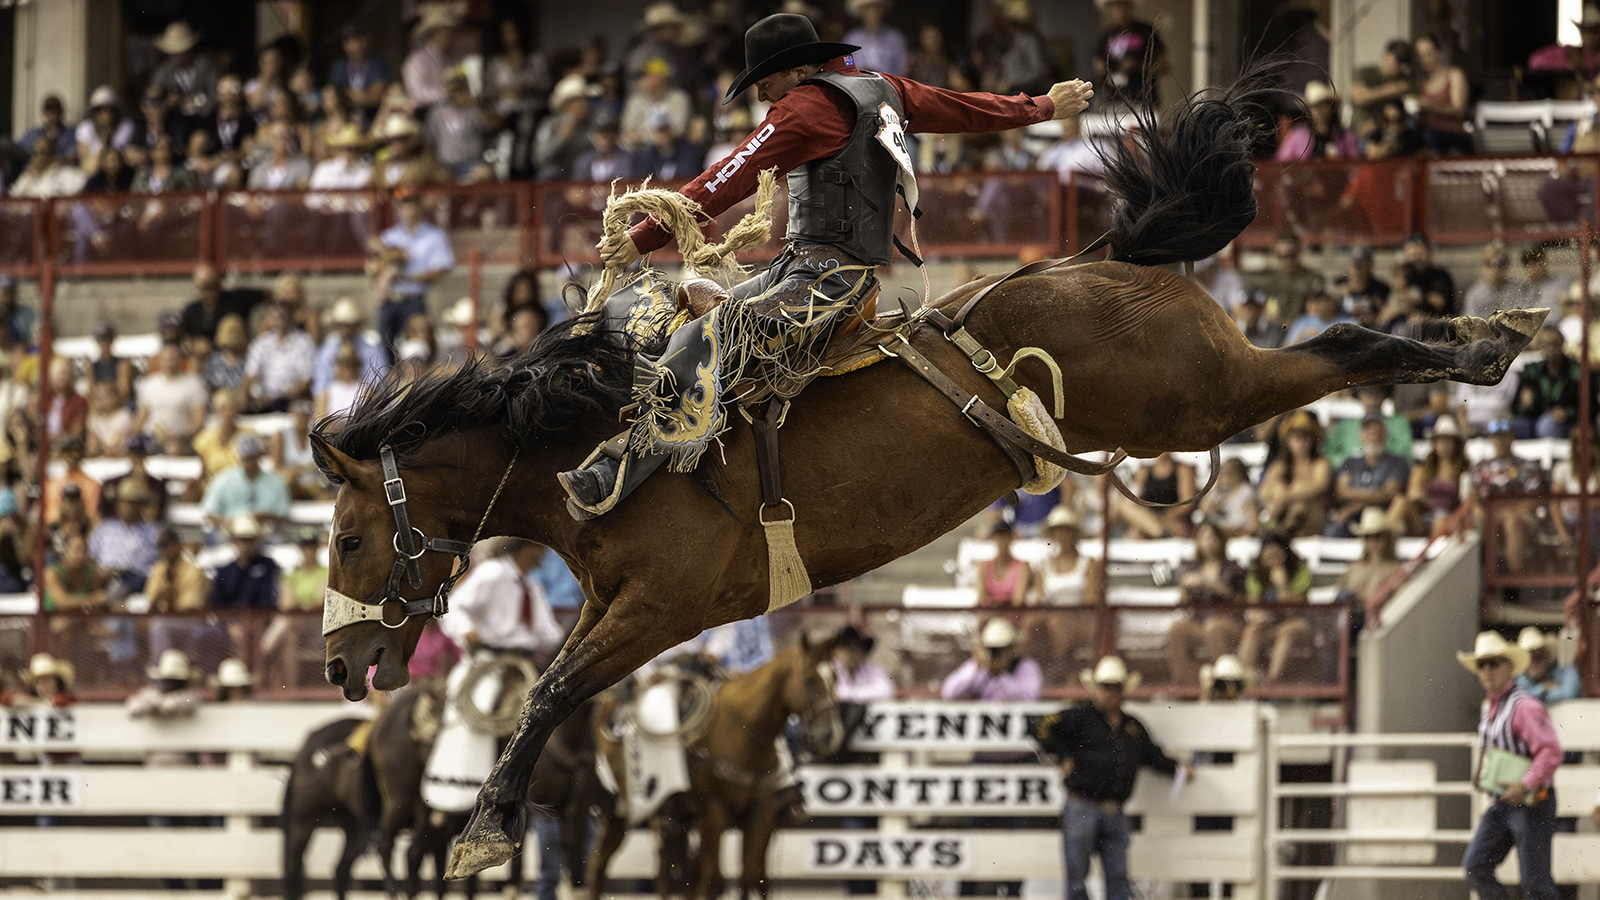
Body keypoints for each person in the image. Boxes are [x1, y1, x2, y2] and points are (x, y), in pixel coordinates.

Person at [558, 12, 1093, 517]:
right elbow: (964, 108)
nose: (761, 93)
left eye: (765, 79)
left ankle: (622, 472)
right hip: (822, 275)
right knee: (691, 296)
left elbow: (729, 175)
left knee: (707, 333)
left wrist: (645, 235)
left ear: (797, 69)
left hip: (821, 284)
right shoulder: (887, 89)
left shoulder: (807, 109)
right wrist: (1040, 107)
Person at [1033, 655, 1191, 900]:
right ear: (1098, 690)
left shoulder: (1133, 727)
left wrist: (1177, 768)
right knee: (1078, 879)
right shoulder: (1080, 717)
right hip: (1083, 805)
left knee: (1117, 878)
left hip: (1113, 810)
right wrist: (1062, 754)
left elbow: (1152, 756)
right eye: (1107, 687)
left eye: (1116, 688)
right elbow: (1041, 727)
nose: (1112, 693)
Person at [1458, 630, 1560, 900]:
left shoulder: (1523, 707)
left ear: (1509, 667)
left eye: (1494, 663)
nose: (1488, 670)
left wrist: (1526, 784)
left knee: (1536, 883)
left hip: (1531, 801)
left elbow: (1550, 751)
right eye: (1482, 664)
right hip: (1505, 802)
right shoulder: (1494, 708)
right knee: (1475, 866)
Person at [371, 187, 454, 358]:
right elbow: (375, 265)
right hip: (390, 299)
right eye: (404, 205)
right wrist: (390, 257)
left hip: (414, 301)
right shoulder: (390, 236)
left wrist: (404, 277)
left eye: (412, 204)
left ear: (419, 206)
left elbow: (439, 271)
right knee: (385, 349)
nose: (408, 210)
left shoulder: (434, 236)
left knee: (417, 347)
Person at [1165, 520, 1247, 685]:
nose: (1208, 541)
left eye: (1211, 537)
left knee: (1213, 627)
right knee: (1176, 628)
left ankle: (1224, 681)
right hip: (1199, 622)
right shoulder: (1190, 568)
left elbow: (1243, 600)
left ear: (1220, 540)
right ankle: (1181, 682)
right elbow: (1182, 604)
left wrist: (1214, 585)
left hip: (1228, 622)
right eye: (1203, 537)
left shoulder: (1233, 568)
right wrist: (1185, 587)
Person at [1241, 533, 1313, 682]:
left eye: (1276, 556)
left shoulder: (1301, 573)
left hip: (1297, 624)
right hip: (1269, 626)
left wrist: (1282, 586)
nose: (1272, 561)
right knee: (1252, 631)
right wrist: (1259, 618)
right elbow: (1253, 608)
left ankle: (1271, 683)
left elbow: (1292, 611)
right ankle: (1243, 681)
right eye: (1268, 557)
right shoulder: (1256, 576)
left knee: (1287, 631)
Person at [1326, 415, 1410, 538]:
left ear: (1385, 434)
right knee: (1333, 533)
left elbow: (1389, 494)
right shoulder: (1350, 462)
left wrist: (1355, 505)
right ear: (1361, 435)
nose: (1373, 436)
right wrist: (1375, 494)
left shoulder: (1398, 462)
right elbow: (1341, 491)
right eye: (1368, 431)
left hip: (1381, 517)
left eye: (1377, 432)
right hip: (1352, 519)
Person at [1259, 411, 1332, 537]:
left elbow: (1321, 486)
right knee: (1277, 490)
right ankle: (1278, 532)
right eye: (1296, 436)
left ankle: (1282, 531)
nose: (1301, 441)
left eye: (1305, 436)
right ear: (1287, 440)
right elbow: (1263, 491)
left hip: (1312, 517)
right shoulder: (1279, 465)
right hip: (1282, 512)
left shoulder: (1321, 463)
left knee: (1299, 503)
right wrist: (1279, 492)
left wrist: (1288, 495)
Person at [199, 436, 290, 535]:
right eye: (247, 457)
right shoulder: (223, 480)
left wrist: (264, 516)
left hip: (265, 531)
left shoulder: (276, 483)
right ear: (240, 457)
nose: (250, 462)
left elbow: (282, 515)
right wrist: (228, 523)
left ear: (260, 456)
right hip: (230, 532)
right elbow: (209, 512)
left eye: (253, 456)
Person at [88, 478, 161, 600]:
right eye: (125, 502)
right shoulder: (105, 529)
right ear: (118, 503)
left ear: (141, 506)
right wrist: (99, 571)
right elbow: (91, 556)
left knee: (120, 589)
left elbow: (159, 563)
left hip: (136, 579)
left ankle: (106, 602)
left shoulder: (153, 531)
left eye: (134, 503)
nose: (129, 507)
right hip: (103, 577)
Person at [940, 618, 1041, 701]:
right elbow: (949, 694)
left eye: (1001, 648)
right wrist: (976, 669)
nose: (996, 653)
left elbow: (1028, 698)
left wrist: (1000, 675)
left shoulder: (1025, 666)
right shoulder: (977, 667)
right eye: (992, 649)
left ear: (1011, 647)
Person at [1399, 416, 1468, 536]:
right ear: (1434, 443)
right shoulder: (1423, 469)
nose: (1443, 444)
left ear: (1455, 443)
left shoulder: (1463, 470)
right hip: (1424, 516)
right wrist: (1420, 499)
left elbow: (1464, 502)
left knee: (1440, 520)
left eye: (1448, 440)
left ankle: (1433, 554)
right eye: (1440, 440)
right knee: (1400, 502)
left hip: (1449, 518)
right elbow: (1412, 495)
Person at [1335, 507, 1405, 621]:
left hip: (1375, 618)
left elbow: (1398, 601)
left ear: (1387, 538)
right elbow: (1340, 598)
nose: (1372, 541)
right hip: (1350, 618)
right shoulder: (1353, 567)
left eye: (1377, 536)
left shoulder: (1396, 570)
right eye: (1368, 536)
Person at [1511, 327, 1582, 440]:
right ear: (1540, 347)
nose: (1550, 348)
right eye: (1545, 344)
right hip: (1535, 420)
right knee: (1515, 425)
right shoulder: (1531, 371)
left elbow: (1590, 406)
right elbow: (1516, 407)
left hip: (1567, 424)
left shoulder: (1576, 371)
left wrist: (1568, 412)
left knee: (1547, 424)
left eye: (1554, 343)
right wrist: (1523, 403)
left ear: (1562, 344)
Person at [1094, 0, 1164, 110]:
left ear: (1130, 6)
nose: (1119, 9)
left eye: (1122, 4)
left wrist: (1137, 65)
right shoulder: (1106, 36)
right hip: (1114, 101)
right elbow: (1098, 65)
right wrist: (1102, 70)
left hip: (1143, 100)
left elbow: (1163, 65)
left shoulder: (1145, 31)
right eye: (1114, 6)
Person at [312, 297, 387, 398]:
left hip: (365, 401)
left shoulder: (372, 351)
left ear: (357, 325)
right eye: (342, 325)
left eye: (349, 325)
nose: (346, 329)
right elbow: (320, 387)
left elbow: (380, 383)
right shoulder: (326, 351)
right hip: (333, 402)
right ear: (336, 326)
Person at [1247, 230, 1325, 328]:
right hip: (1276, 329)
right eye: (1282, 256)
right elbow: (1266, 308)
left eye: (1291, 255)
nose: (1287, 261)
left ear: (1299, 252)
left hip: (1302, 330)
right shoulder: (1272, 280)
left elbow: (1316, 313)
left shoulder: (1312, 278)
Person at [1413, 34, 1471, 155]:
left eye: (1428, 54)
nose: (1425, 59)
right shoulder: (1421, 83)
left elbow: (1459, 110)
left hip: (1452, 133)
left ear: (1438, 52)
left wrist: (1431, 107)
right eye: (1421, 56)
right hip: (1427, 133)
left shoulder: (1454, 75)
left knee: (1428, 136)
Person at [179, 264, 264, 346]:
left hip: (236, 355)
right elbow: (185, 337)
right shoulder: (191, 311)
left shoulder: (237, 299)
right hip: (204, 356)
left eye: (215, 285)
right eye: (206, 287)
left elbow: (273, 296)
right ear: (197, 287)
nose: (211, 292)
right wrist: (195, 344)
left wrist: (262, 335)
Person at [211, 514, 280, 610]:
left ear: (256, 541)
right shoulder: (224, 573)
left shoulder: (268, 566)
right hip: (231, 621)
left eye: (249, 540)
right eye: (242, 540)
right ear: (234, 541)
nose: (245, 545)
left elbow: (267, 600)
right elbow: (219, 605)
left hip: (259, 620)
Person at [1349, 40, 1414, 139]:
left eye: (1405, 62)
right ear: (1386, 55)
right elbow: (1359, 98)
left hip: (1391, 131)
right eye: (1398, 59)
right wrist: (1393, 90)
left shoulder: (1404, 79)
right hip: (1362, 132)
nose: (1402, 65)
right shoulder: (1364, 72)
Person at [330, 25, 392, 127]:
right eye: (352, 41)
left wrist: (348, 95)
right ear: (345, 45)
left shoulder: (378, 63)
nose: (357, 45)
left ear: (369, 41)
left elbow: (376, 97)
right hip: (346, 119)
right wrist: (362, 96)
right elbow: (334, 98)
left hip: (374, 118)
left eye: (360, 39)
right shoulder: (339, 66)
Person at [977, 520, 1040, 608]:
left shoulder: (1022, 566)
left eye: (1005, 536)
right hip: (990, 614)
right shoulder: (984, 566)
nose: (1002, 540)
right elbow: (980, 598)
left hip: (1013, 616)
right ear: (993, 538)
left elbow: (1019, 600)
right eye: (998, 536)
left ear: (1011, 538)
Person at [1514, 627, 1580, 706]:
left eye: (1538, 657)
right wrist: (1543, 688)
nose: (1533, 663)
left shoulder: (1566, 672)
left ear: (1548, 657)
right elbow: (1520, 699)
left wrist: (1536, 694)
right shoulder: (1518, 679)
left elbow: (1568, 694)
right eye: (1528, 660)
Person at [1195, 457, 1259, 537]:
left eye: (1226, 473)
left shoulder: (1246, 492)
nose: (1223, 476)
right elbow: (1203, 510)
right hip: (1220, 532)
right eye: (1221, 473)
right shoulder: (1221, 491)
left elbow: (1254, 525)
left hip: (1238, 532)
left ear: (1237, 474)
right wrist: (1215, 487)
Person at [830, 623, 894, 703]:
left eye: (855, 649)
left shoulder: (874, 670)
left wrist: (846, 695)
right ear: (835, 652)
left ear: (863, 653)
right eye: (846, 649)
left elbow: (886, 691)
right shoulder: (828, 670)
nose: (850, 655)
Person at [843, 0, 908, 77]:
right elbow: (846, 66)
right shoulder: (852, 39)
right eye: (868, 8)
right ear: (861, 11)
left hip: (889, 86)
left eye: (877, 8)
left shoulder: (896, 38)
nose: (873, 12)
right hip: (858, 85)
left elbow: (903, 69)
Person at [1463, 243, 1527, 321]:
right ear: (1483, 266)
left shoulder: (1516, 291)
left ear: (1507, 266)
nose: (1495, 269)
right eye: (1489, 263)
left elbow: (1523, 319)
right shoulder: (1474, 294)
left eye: (1500, 264)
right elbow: (1470, 324)